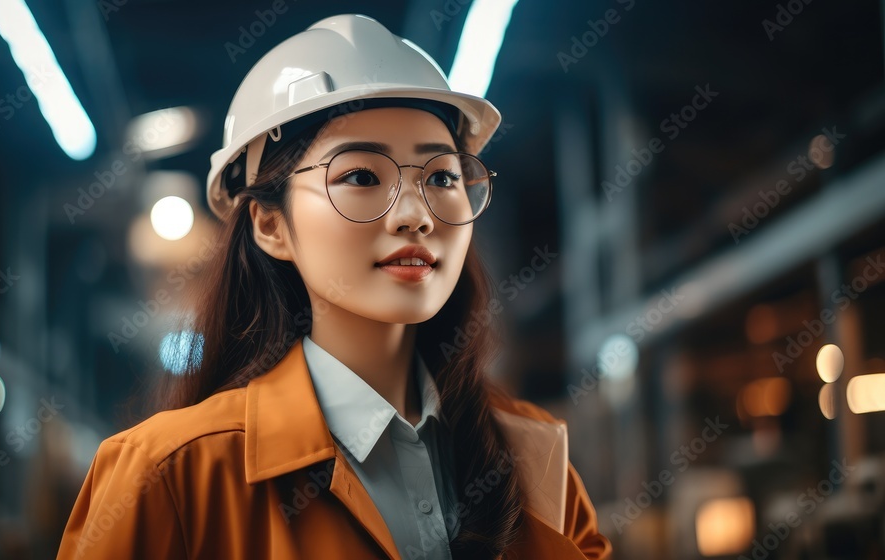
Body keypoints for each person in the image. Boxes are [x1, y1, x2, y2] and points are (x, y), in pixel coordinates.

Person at [57, 13, 612, 560]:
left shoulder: (536, 460)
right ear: (271, 226)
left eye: (442, 176)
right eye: (361, 177)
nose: (416, 215)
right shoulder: (171, 479)